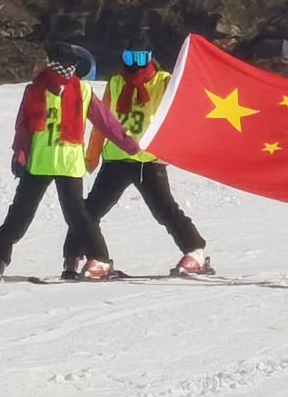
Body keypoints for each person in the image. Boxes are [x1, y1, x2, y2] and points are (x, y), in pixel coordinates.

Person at [0, 40, 141, 283]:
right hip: (55, 163)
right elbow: (106, 124)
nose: (68, 70)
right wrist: (130, 144)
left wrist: (20, 154)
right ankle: (98, 259)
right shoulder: (63, 90)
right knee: (70, 217)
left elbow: (24, 127)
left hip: (50, 162)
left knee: (30, 216)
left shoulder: (46, 89)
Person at [68, 41, 211, 277]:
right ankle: (86, 256)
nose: (135, 63)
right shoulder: (116, 82)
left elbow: (184, 102)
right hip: (117, 158)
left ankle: (195, 251)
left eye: (141, 57)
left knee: (164, 210)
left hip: (149, 159)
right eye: (130, 57)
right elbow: (102, 121)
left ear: (150, 57)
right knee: (90, 210)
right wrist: (91, 156)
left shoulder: (163, 81)